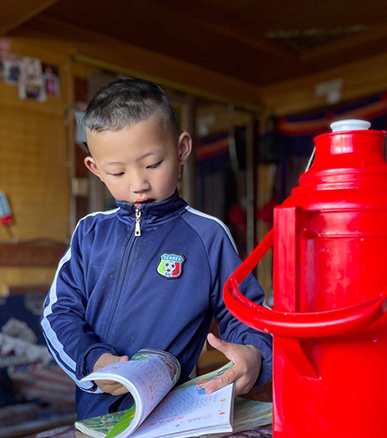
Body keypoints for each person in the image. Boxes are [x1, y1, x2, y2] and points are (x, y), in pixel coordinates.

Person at [42, 78, 272, 419]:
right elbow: (58, 314)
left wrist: (254, 353)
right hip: (96, 420)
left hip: (174, 417)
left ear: (181, 150)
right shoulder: (90, 233)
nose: (138, 184)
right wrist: (93, 361)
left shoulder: (208, 236)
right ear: (95, 169)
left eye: (152, 164)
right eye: (117, 172)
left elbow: (247, 313)